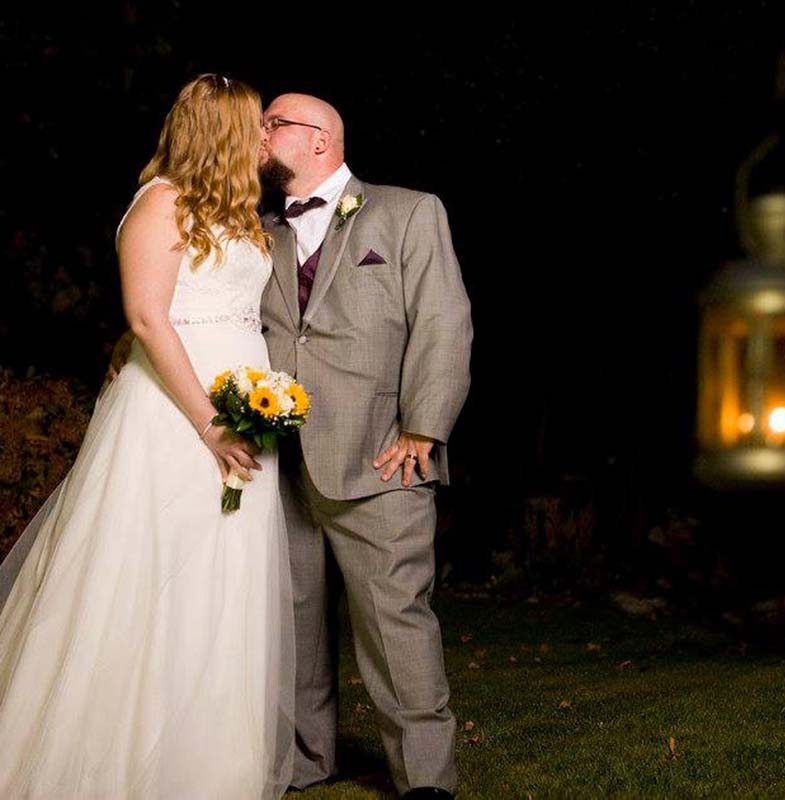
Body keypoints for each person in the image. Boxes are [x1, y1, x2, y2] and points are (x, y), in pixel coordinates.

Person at [0, 74, 296, 799]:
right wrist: (207, 422)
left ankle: (213, 764)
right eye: (257, 125)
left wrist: (255, 406)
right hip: (174, 416)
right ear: (224, 131)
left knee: (225, 578)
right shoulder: (160, 202)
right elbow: (147, 318)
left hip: (242, 413)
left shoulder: (235, 211)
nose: (267, 138)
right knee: (152, 575)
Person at [258, 93, 472, 799]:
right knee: (292, 627)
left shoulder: (408, 211)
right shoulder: (262, 230)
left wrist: (424, 426)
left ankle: (426, 782)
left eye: (272, 123)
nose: (259, 134)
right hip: (279, 461)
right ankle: (306, 761)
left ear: (319, 139)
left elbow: (443, 321)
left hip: (381, 455)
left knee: (395, 621)